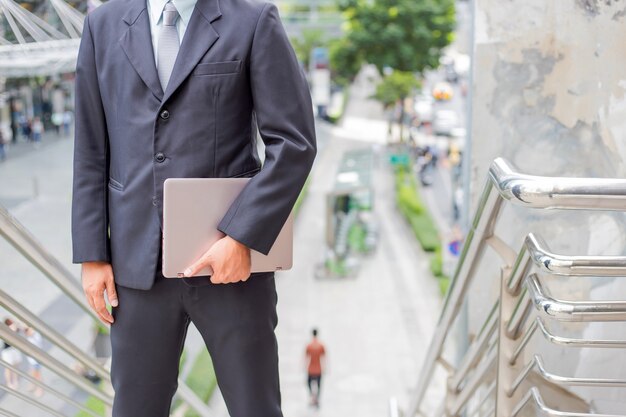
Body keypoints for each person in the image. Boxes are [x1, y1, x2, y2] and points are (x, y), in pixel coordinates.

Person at [71, 0, 317, 416]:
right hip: (136, 269)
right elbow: (91, 149)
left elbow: (294, 143)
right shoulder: (101, 25)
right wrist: (92, 255)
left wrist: (242, 235)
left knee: (254, 408)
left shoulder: (254, 20)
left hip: (231, 266)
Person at [305, 328, 326, 407]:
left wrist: (305, 367)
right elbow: (324, 358)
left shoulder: (309, 345)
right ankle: (316, 398)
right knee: (319, 385)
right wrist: (324, 368)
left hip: (310, 369)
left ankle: (313, 397)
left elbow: (306, 358)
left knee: (309, 384)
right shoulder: (321, 345)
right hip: (318, 369)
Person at [1, 318, 23, 390]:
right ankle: (9, 383)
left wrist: (17, 324)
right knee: (8, 368)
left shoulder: (14, 328)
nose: (12, 324)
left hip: (14, 349)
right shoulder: (5, 330)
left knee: (16, 366)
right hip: (7, 351)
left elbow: (21, 328)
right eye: (10, 323)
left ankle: (15, 380)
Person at [24, 326, 44, 397]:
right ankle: (32, 385)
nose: (26, 333)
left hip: (36, 360)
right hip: (31, 360)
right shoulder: (30, 336)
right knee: (32, 373)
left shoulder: (36, 336)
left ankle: (39, 389)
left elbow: (38, 345)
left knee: (38, 375)